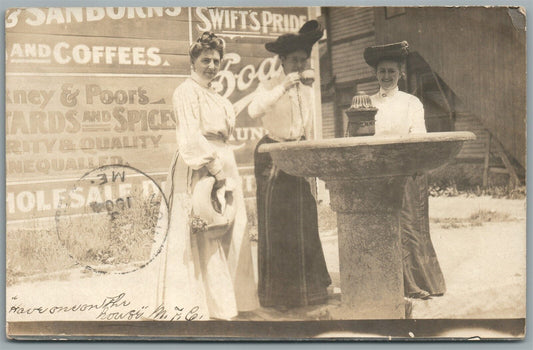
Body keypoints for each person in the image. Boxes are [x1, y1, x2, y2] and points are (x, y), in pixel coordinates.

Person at [153, 31, 258, 320]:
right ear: (193, 60)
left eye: (216, 61)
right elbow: (190, 136)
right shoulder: (185, 92)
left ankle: (232, 303)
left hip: (224, 161)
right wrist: (216, 170)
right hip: (199, 165)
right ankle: (198, 305)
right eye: (205, 60)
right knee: (203, 227)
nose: (211, 66)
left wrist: (225, 169)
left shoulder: (218, 98)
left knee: (230, 225)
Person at [248, 20, 331, 309]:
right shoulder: (271, 84)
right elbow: (254, 110)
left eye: (302, 60)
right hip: (271, 154)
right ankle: (280, 296)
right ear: (282, 61)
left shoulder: (308, 89)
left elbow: (308, 127)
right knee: (277, 223)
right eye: (293, 60)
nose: (298, 65)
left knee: (305, 218)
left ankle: (310, 291)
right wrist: (283, 86)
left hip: (298, 152)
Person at [363, 41, 446, 299]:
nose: (386, 76)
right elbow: (361, 134)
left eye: (391, 71)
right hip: (378, 171)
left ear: (401, 73)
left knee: (409, 226)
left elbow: (418, 134)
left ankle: (416, 282)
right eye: (381, 71)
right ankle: (387, 281)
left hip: (407, 168)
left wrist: (405, 160)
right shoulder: (366, 102)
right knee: (379, 225)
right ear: (375, 74)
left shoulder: (411, 102)